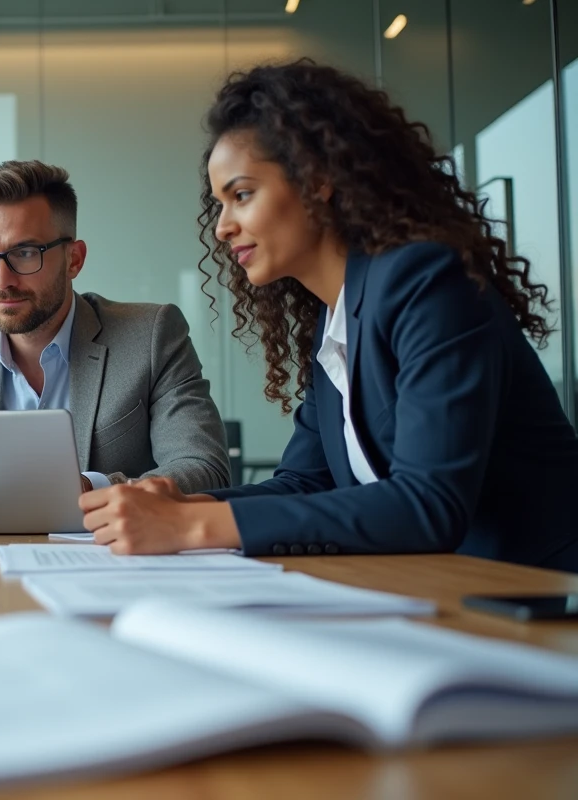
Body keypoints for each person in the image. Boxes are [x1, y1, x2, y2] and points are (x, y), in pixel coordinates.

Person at [80, 60, 578, 572]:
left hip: (545, 598)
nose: (223, 227)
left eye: (242, 195)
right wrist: (185, 506)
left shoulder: (426, 281)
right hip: (455, 593)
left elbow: (430, 504)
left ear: (318, 179)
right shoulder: (337, 319)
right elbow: (305, 480)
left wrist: (191, 527)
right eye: (219, 204)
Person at [0, 159, 229, 495]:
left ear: (74, 259)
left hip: (105, 545)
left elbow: (204, 468)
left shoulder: (150, 335)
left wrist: (91, 488)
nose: (1, 281)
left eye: (25, 253)